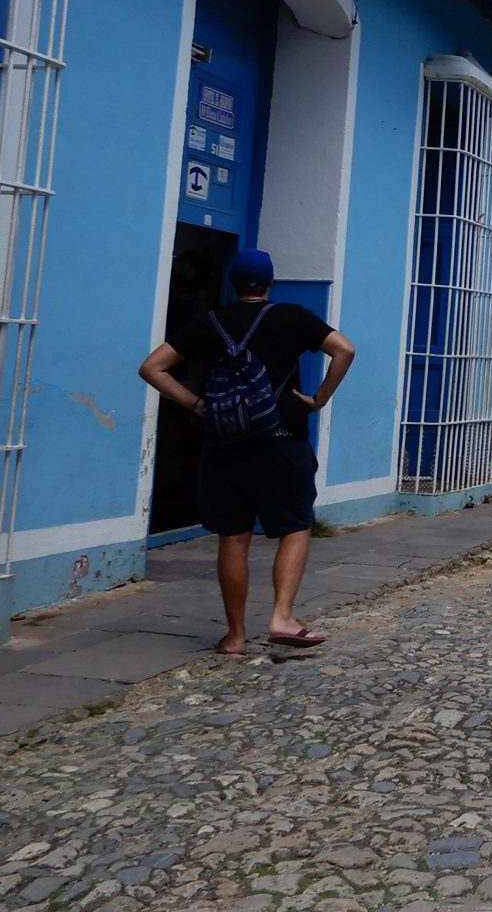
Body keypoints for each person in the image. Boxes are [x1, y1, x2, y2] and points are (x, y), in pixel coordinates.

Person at [138, 248, 355, 656]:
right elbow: (344, 350)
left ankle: (235, 636)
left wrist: (198, 405)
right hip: (282, 439)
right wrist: (319, 398)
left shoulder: (210, 322)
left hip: (225, 444)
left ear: (233, 283)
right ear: (269, 283)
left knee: (233, 538)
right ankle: (281, 617)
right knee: (293, 527)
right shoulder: (292, 316)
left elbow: (152, 367)